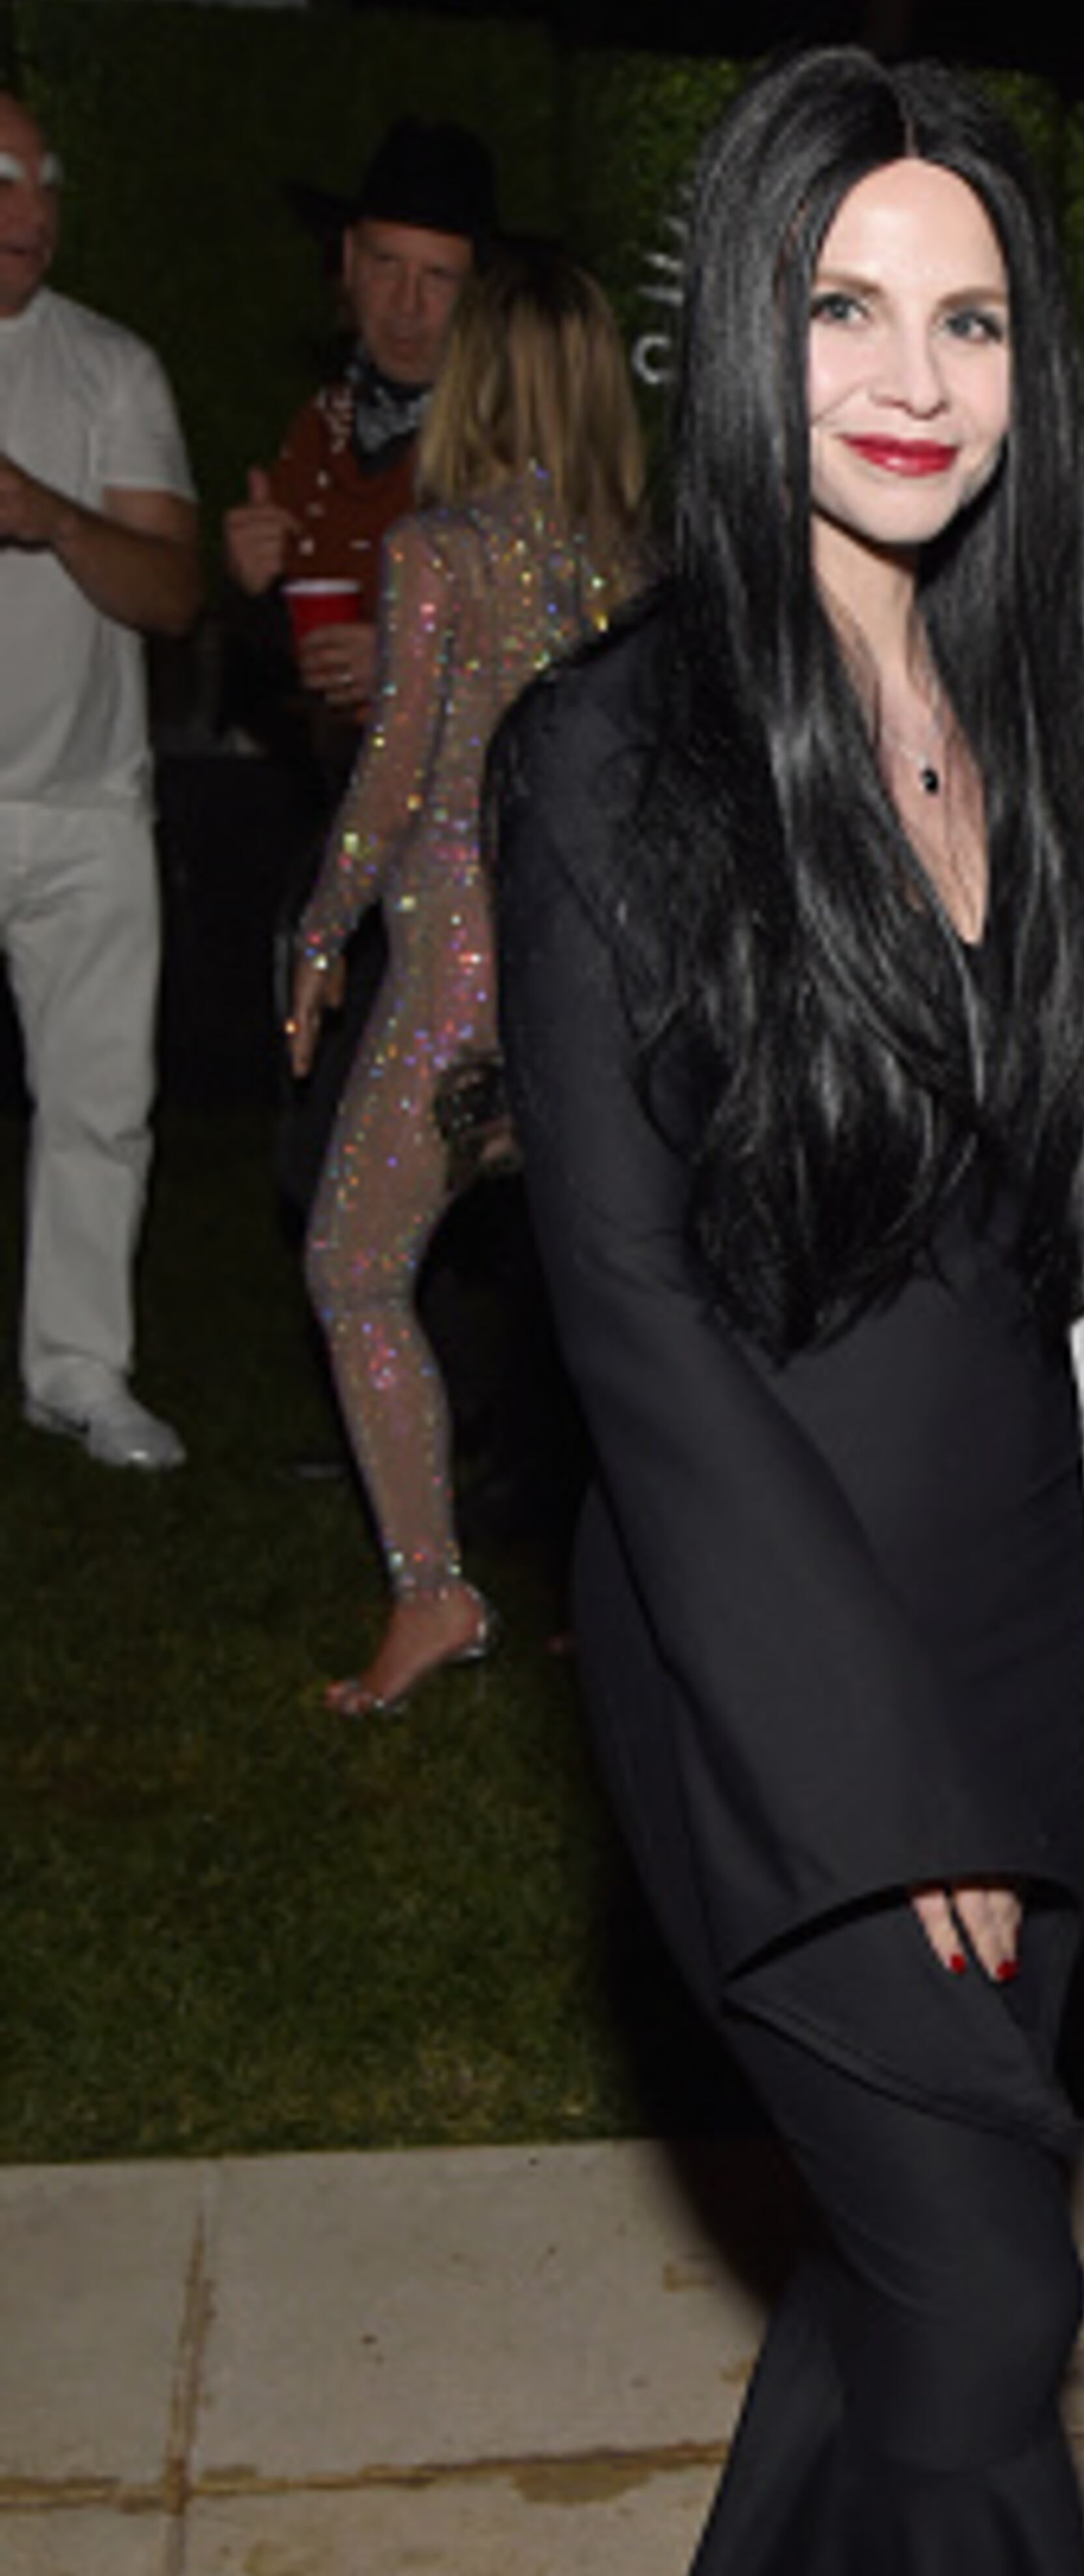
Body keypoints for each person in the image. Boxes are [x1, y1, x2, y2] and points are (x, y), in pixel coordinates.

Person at [494, 48, 1084, 2576]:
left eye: (974, 319)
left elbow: (1055, 1242)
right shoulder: (602, 743)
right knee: (991, 2288)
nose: (912, 377)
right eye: (848, 307)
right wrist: (878, 1767)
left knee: (892, 2341)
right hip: (774, 1659)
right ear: (746, 329)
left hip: (1009, 1632)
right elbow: (628, 1322)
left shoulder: (1021, 703)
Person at [285, 249, 645, 1716]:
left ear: (486, 375)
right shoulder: (652, 570)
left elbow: (392, 783)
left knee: (355, 1267)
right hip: (602, 984)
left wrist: (315, 934)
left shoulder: (441, 555)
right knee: (605, 1304)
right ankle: (620, 1598)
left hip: (460, 977)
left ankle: (434, 1589)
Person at [0, 85, 201, 1471]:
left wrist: (51, 515)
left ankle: (79, 1372)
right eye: (1, 177)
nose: (30, 207)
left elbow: (175, 594)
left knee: (98, 1104)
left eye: (44, 178)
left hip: (82, 803)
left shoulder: (111, 367)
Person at [223, 117, 497, 732]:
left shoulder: (507, 440)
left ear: (478, 292)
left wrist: (412, 661)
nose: (407, 305)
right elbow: (276, 680)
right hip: (339, 805)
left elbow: (564, 651)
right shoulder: (321, 428)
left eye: (437, 277)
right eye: (385, 265)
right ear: (348, 261)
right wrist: (253, 588)